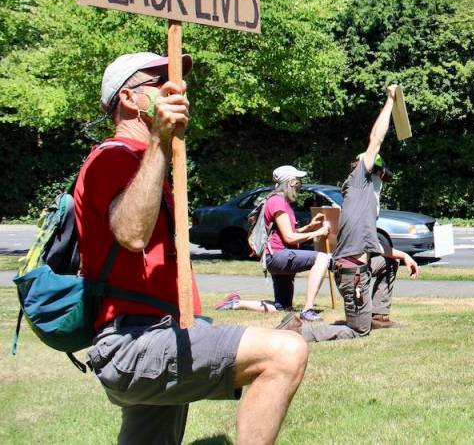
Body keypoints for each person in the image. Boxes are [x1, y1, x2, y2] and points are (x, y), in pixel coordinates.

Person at [76, 52, 307, 444]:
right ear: (129, 98)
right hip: (133, 341)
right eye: (160, 83)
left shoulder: (145, 161)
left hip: (160, 331)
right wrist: (158, 141)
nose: (176, 90)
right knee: (284, 352)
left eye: (178, 83)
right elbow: (132, 234)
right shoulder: (112, 158)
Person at [329, 85, 420, 337]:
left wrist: (404, 256)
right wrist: (390, 100)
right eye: (380, 174)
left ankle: (379, 316)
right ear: (371, 170)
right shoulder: (359, 179)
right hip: (351, 270)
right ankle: (300, 332)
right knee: (358, 331)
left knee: (388, 262)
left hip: (362, 264)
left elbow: (375, 248)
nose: (381, 179)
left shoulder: (365, 201)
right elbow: (376, 140)